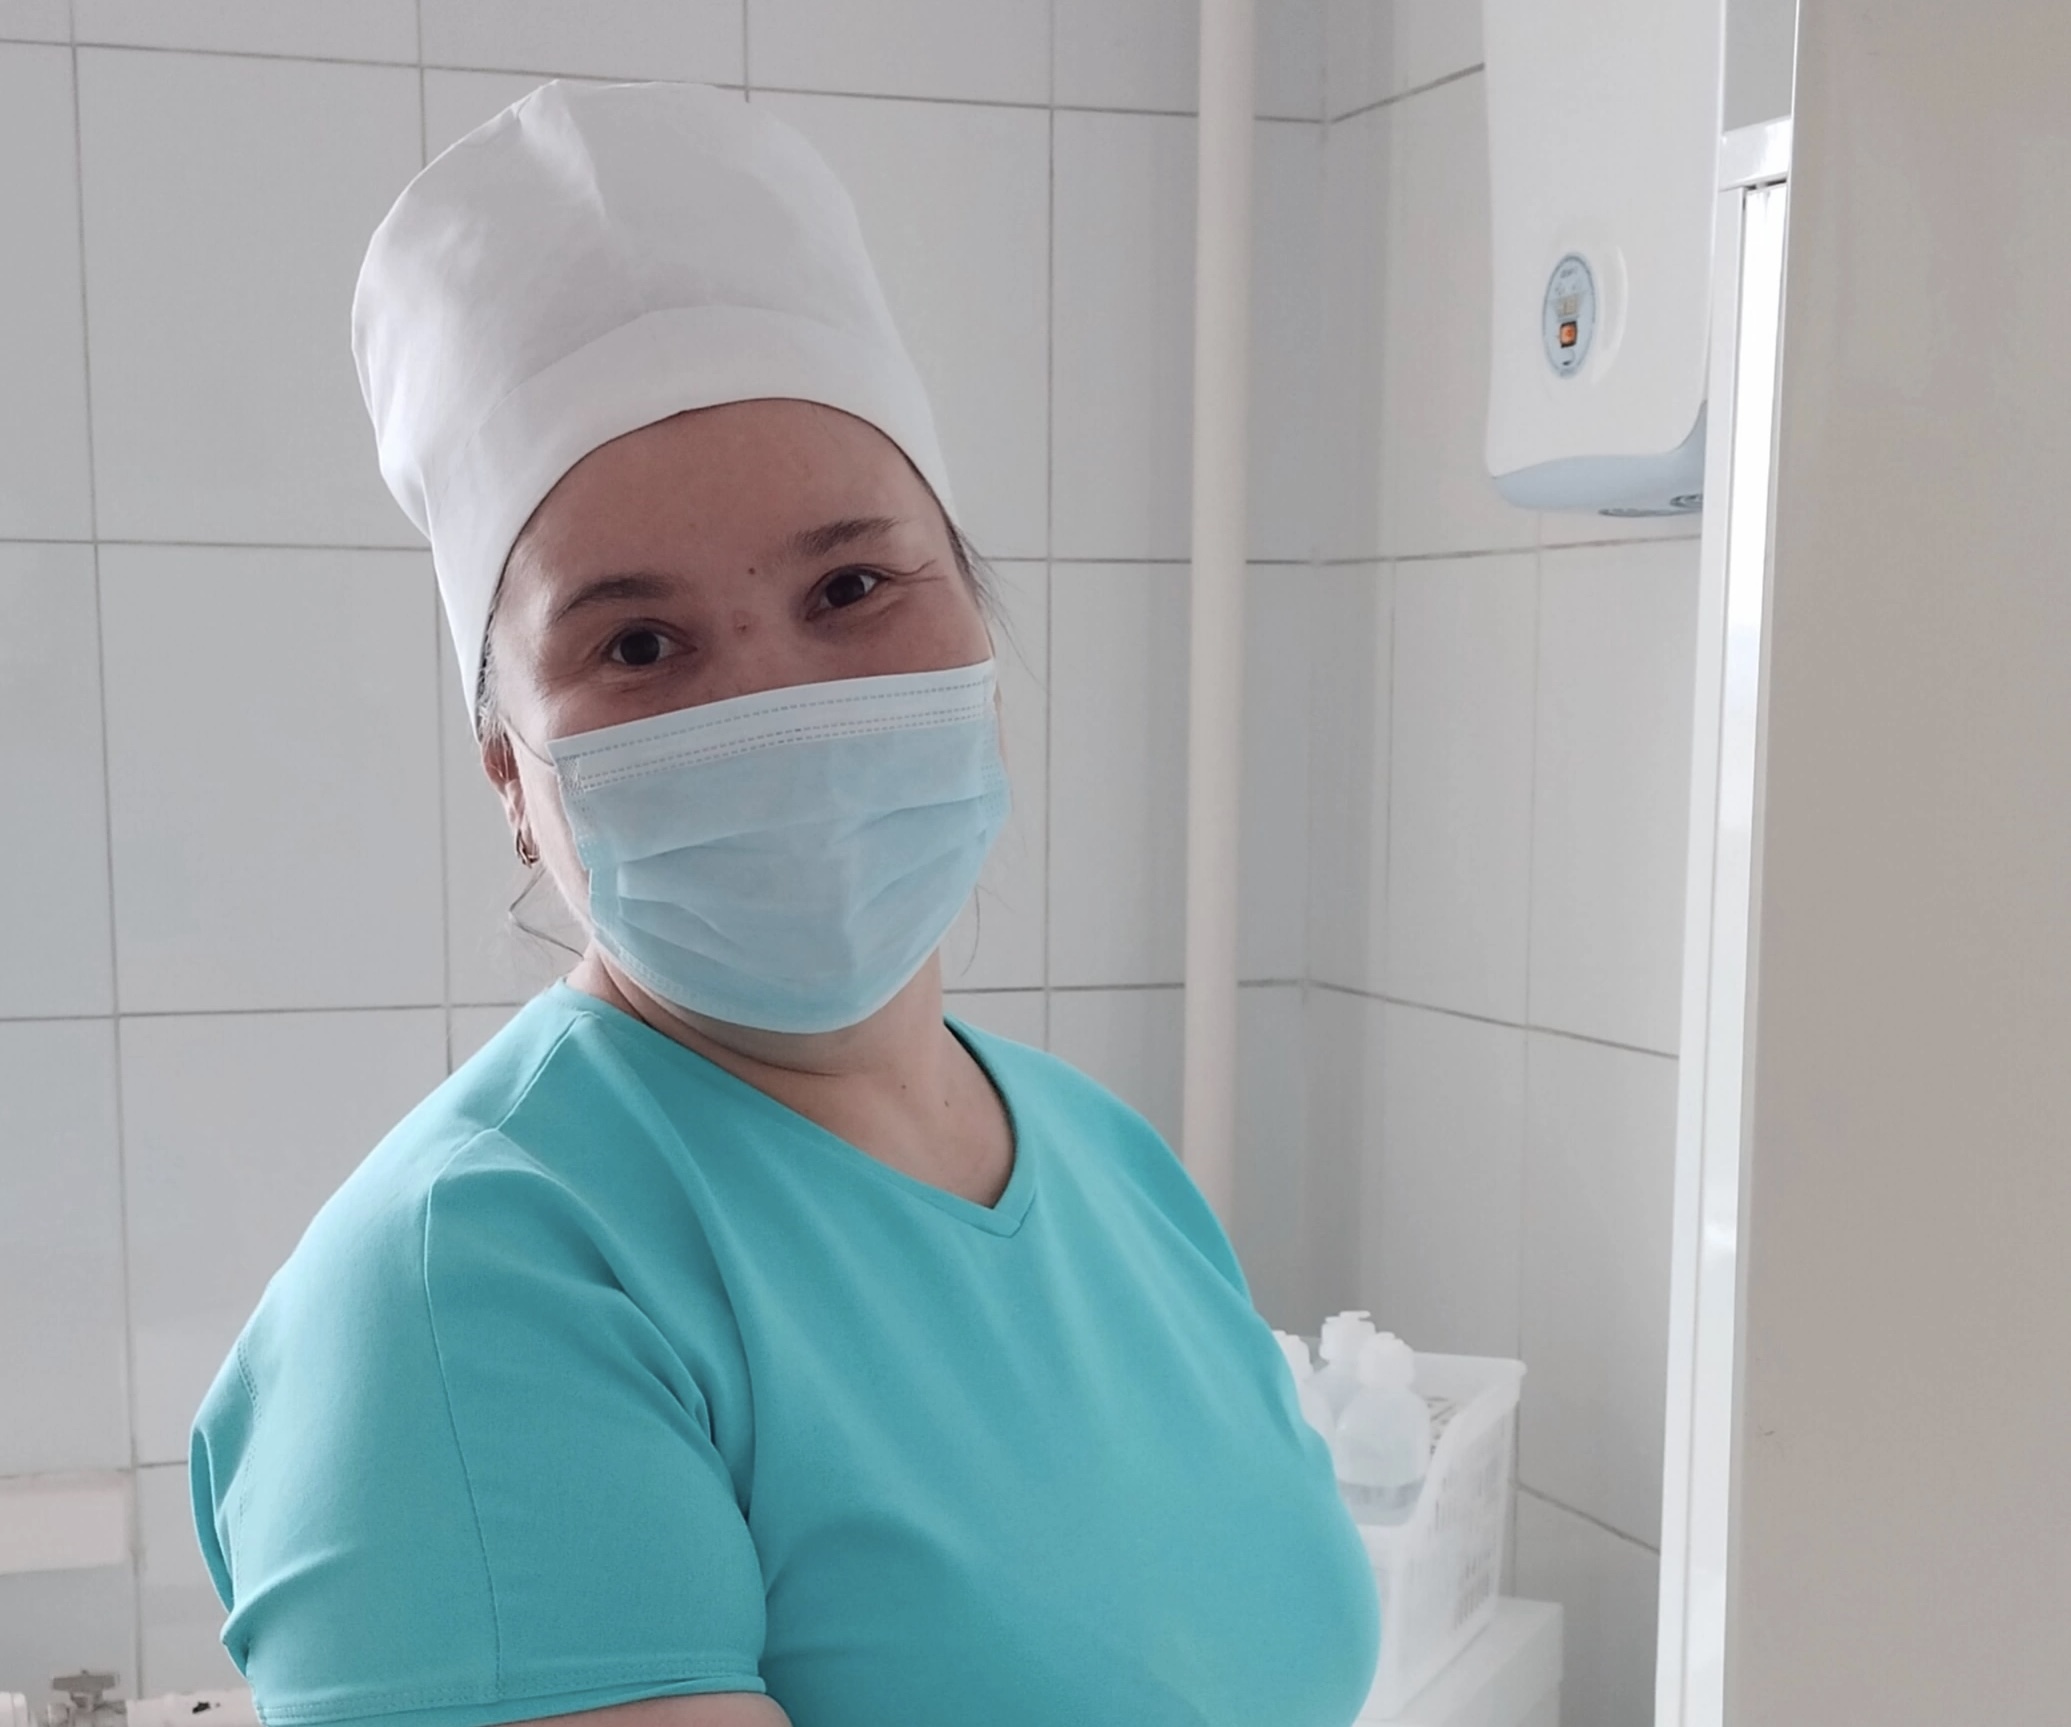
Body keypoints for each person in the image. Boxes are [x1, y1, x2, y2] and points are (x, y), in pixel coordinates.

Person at [187, 80, 1379, 1727]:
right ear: (512, 775)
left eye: (850, 586)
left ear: (975, 620)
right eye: (637, 644)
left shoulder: (1112, 1171)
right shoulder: (468, 1295)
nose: (778, 705)